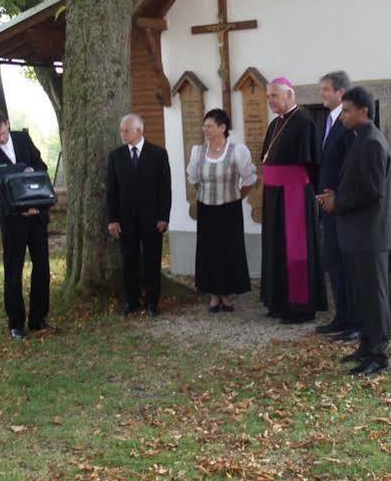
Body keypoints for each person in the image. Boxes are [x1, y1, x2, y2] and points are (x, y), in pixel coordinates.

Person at [317, 87, 391, 377]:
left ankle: (379, 354)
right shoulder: (359, 140)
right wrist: (335, 195)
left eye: (347, 110)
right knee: (362, 295)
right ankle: (366, 345)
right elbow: (357, 184)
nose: (343, 116)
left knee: (374, 297)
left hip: (369, 236)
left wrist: (339, 202)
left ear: (364, 111)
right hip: (356, 234)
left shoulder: (372, 142)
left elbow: (373, 191)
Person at [0, 110, 52, 339]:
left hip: (37, 213)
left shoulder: (22, 139)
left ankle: (38, 318)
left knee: (42, 267)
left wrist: (30, 171)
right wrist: (18, 173)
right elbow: (0, 185)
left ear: (7, 124)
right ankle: (16, 322)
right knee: (13, 270)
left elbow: (41, 166)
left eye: (2, 132)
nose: (0, 138)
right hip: (13, 219)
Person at [260, 77, 326, 323]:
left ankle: (300, 307)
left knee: (295, 250)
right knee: (276, 247)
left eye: (274, 96)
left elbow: (314, 166)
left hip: (295, 196)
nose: (270, 101)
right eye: (268, 97)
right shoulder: (275, 125)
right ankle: (278, 301)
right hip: (274, 197)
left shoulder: (305, 123)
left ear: (289, 95)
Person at [186, 108, 256, 312]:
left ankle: (226, 294)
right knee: (209, 250)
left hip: (229, 209)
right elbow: (194, 179)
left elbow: (249, 179)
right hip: (207, 209)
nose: (205, 129)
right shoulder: (198, 152)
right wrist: (208, 195)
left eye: (209, 126)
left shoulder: (237, 151)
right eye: (204, 126)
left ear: (222, 127)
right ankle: (214, 295)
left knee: (229, 250)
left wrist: (236, 197)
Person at [107, 114, 172, 317]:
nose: (123, 134)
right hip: (125, 220)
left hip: (152, 218)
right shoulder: (116, 156)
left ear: (139, 131)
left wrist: (164, 216)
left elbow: (165, 189)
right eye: (121, 131)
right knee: (129, 261)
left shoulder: (158, 154)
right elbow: (112, 190)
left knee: (152, 260)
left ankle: (153, 302)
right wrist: (113, 219)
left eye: (126, 130)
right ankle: (132, 300)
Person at [314, 71, 358, 338]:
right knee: (334, 263)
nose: (322, 95)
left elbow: (350, 165)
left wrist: (338, 197)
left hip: (341, 207)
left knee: (346, 265)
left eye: (326, 90)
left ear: (340, 92)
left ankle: (354, 321)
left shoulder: (347, 122)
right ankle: (341, 316)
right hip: (327, 206)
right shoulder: (329, 121)